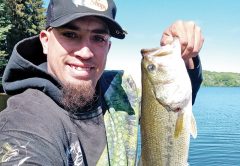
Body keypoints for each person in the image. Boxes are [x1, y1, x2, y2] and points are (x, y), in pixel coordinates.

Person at [0, 0, 204, 165]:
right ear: (45, 41)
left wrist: (185, 56)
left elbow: (173, 104)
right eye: (70, 34)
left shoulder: (123, 89)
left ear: (108, 47)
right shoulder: (25, 118)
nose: (85, 52)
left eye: (98, 38)